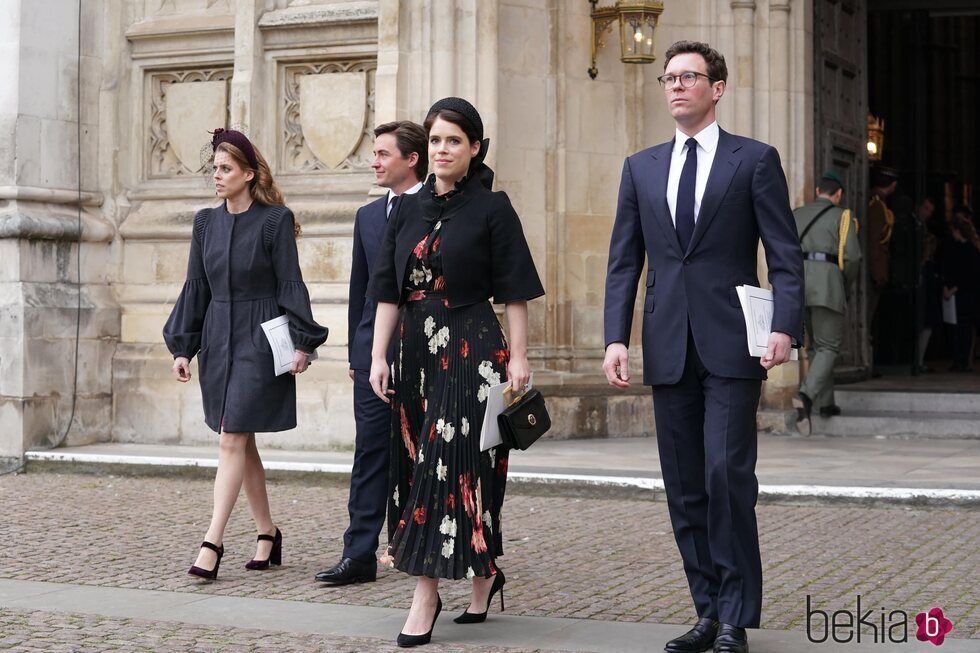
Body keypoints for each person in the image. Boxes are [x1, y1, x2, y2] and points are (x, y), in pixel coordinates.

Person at [602, 41, 803, 653]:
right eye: (669, 78)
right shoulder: (640, 167)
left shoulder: (755, 161)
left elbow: (785, 257)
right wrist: (616, 337)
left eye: (690, 77)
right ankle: (707, 612)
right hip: (667, 345)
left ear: (717, 88)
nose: (676, 87)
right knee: (685, 485)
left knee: (725, 475)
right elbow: (623, 262)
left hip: (732, 346)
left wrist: (785, 326)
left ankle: (737, 616)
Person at [367, 97, 544, 648]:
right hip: (414, 353)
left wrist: (519, 356)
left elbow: (515, 291)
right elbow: (386, 291)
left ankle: (426, 592)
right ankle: (485, 571)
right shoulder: (407, 210)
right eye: (436, 140)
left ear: (473, 149)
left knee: (447, 468)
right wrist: (377, 356)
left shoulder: (494, 208)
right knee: (421, 462)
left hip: (472, 347)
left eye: (454, 141)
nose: (443, 149)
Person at [164, 128, 328, 580]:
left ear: (248, 174)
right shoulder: (204, 223)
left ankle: (210, 542)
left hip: (261, 338)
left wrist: (302, 342)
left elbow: (289, 284)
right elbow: (195, 287)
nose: (216, 176)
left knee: (230, 437)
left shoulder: (275, 222)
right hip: (218, 338)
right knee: (242, 438)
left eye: (226, 169)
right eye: (214, 168)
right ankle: (267, 532)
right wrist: (183, 346)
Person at [315, 121, 427, 586]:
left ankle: (424, 551)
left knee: (428, 453)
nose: (374, 161)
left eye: (383, 153)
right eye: (375, 153)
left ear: (411, 158)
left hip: (428, 350)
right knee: (369, 456)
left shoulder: (437, 207)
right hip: (372, 357)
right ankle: (359, 554)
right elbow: (360, 290)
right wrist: (356, 354)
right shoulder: (366, 217)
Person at [792, 171, 861, 434]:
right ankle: (807, 395)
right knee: (830, 346)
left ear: (817, 190)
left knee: (814, 347)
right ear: (838, 194)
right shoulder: (843, 216)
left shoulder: (797, 214)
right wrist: (846, 286)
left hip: (798, 286)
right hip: (827, 285)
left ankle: (826, 403)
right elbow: (852, 258)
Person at [941, 209, 980, 372]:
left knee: (964, 328)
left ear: (958, 231)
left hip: (966, 294)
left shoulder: (970, 250)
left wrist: (952, 289)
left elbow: (969, 275)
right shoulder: (957, 248)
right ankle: (960, 360)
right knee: (958, 328)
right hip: (958, 292)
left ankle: (963, 361)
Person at [867, 168, 898, 372]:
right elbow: (873, 243)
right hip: (873, 272)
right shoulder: (877, 205)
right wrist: (879, 274)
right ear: (892, 185)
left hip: (875, 268)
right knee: (869, 317)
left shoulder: (878, 203)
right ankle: (867, 363)